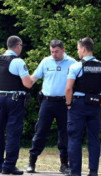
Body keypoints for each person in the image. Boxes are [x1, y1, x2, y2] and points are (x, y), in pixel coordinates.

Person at [26, 40, 75, 174]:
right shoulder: (46, 61)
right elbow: (33, 79)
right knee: (40, 131)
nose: (54, 54)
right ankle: (32, 162)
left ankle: (64, 164)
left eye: (57, 51)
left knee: (64, 133)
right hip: (47, 102)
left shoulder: (72, 63)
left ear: (63, 50)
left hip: (64, 103)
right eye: (52, 51)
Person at [65, 37, 101, 176]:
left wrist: (69, 104)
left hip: (78, 104)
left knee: (75, 138)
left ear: (83, 49)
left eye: (78, 49)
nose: (78, 52)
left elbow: (68, 89)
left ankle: (75, 171)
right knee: (94, 138)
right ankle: (93, 171)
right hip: (96, 104)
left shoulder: (76, 66)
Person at [0, 35, 34, 175]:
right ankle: (9, 166)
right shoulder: (17, 61)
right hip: (14, 100)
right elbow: (27, 83)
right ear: (18, 46)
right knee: (12, 133)